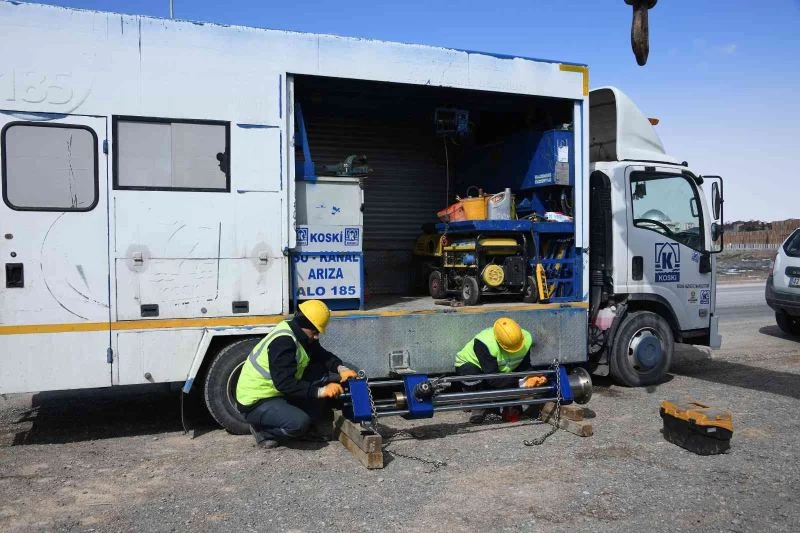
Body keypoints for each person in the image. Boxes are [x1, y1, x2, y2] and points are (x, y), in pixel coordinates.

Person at [235, 300, 358, 449]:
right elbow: (284, 383)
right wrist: (320, 391)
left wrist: (340, 368)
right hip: (256, 400)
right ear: (304, 326)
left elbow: (321, 354)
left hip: (276, 393)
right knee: (298, 423)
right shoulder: (283, 342)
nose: (317, 336)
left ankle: (302, 429)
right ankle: (264, 432)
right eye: (315, 332)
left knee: (320, 374)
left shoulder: (300, 334)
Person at [455, 317, 546, 424]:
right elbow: (493, 379)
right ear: (498, 341)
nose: (515, 350)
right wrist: (521, 383)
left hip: (501, 371)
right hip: (472, 367)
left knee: (513, 404)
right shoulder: (485, 343)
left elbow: (524, 366)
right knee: (474, 377)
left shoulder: (525, 338)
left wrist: (532, 376)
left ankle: (502, 404)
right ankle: (478, 404)